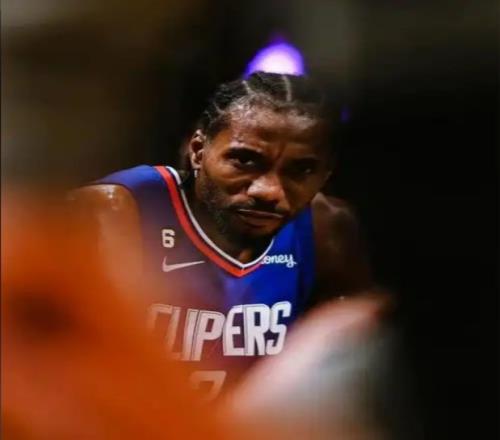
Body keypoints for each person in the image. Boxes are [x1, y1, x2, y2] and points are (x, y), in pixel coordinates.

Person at [69, 71, 373, 399]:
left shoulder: (327, 230)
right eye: (245, 160)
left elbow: (355, 372)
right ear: (198, 151)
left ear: (325, 175)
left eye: (301, 170)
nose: (268, 191)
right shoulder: (117, 211)